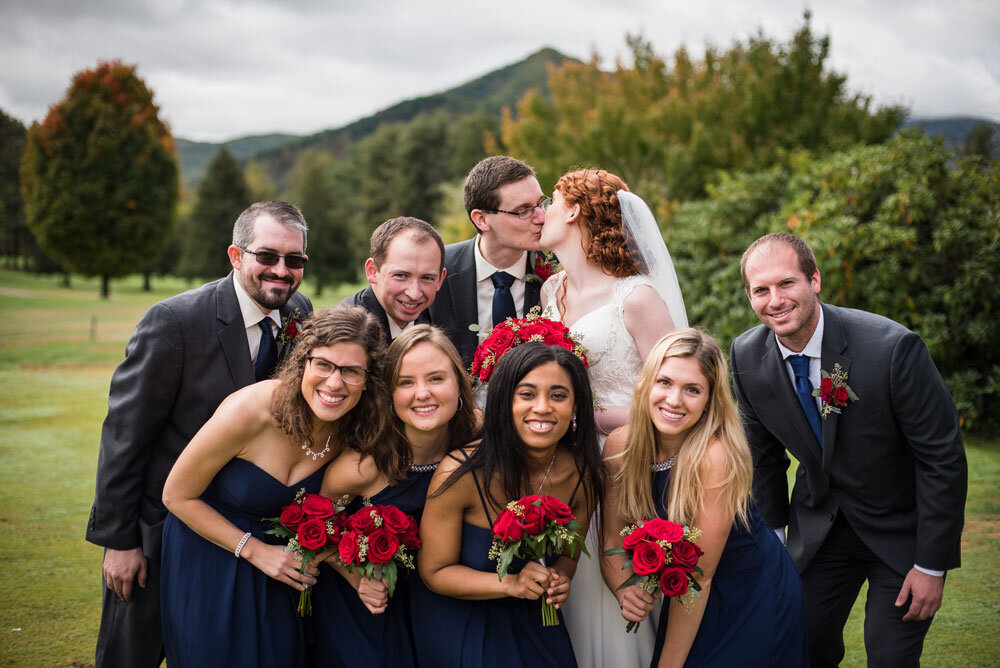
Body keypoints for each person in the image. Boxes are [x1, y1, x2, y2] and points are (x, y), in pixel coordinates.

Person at [85, 200, 313, 668]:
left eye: (294, 260)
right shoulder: (174, 322)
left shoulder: (300, 314)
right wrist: (120, 541)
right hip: (161, 529)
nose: (281, 270)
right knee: (134, 654)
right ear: (236, 256)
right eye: (267, 256)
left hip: (248, 531)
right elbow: (125, 439)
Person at [730, 233, 967, 667]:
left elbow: (942, 458)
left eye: (786, 284)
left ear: (815, 280)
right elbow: (762, 459)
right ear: (749, 296)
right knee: (800, 645)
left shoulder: (892, 348)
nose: (775, 300)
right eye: (760, 290)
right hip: (819, 527)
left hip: (900, 530)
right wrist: (776, 546)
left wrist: (932, 566)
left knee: (890, 657)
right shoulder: (746, 356)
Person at [159, 305, 391, 667]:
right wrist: (254, 551)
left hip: (283, 571)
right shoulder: (251, 411)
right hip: (208, 556)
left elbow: (328, 523)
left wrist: (357, 579)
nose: (334, 383)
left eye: (351, 371)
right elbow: (176, 495)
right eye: (324, 365)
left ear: (369, 378)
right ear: (304, 362)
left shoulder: (354, 434)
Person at [540, 169, 687, 668]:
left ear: (575, 211)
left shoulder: (637, 297)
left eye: (551, 201)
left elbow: (672, 400)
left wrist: (588, 417)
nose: (542, 211)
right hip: (560, 468)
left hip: (622, 465)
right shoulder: (550, 291)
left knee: (613, 602)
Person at [604, 329, 807, 667]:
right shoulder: (619, 446)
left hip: (751, 590)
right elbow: (612, 536)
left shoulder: (715, 456)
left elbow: (700, 575)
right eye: (664, 382)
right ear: (646, 384)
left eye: (692, 390)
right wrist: (622, 588)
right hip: (688, 595)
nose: (674, 400)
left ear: (710, 400)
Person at [416, 342, 605, 667]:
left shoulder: (583, 474)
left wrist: (560, 577)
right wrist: (512, 583)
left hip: (535, 619)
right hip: (464, 624)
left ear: (576, 408)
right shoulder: (461, 472)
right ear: (504, 402)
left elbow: (568, 555)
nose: (543, 407)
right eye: (527, 394)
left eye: (558, 396)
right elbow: (434, 572)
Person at [309, 324, 478, 667]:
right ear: (387, 393)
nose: (422, 394)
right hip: (369, 612)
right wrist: (356, 577)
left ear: (459, 383)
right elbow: (314, 528)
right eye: (405, 382)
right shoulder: (362, 466)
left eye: (436, 379)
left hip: (442, 606)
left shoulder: (475, 433)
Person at [429, 156, 549, 368]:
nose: (541, 217)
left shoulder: (558, 269)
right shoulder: (435, 269)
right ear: (481, 219)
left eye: (541, 204)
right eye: (524, 210)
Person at [344, 216, 446, 345]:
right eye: (401, 276)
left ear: (440, 279)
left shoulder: (442, 324)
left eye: (427, 278)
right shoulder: (344, 334)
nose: (414, 294)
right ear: (372, 271)